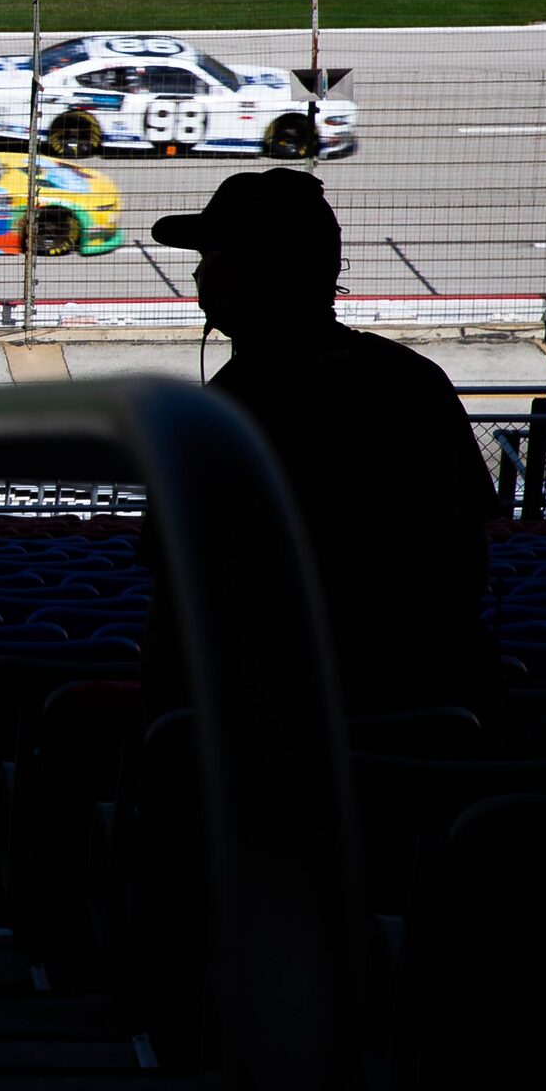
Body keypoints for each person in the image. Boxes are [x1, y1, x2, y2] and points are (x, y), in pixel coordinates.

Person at [145, 168, 502, 717]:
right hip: (423, 714)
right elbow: (466, 561)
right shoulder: (413, 380)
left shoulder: (212, 420)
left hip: (264, 733)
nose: (197, 271)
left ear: (243, 275)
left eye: (211, 253)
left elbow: (172, 586)